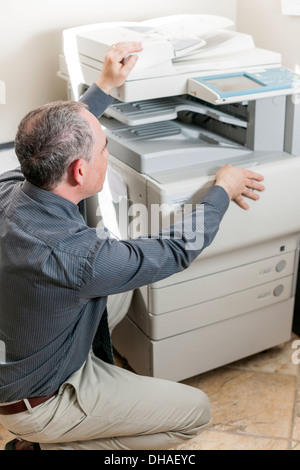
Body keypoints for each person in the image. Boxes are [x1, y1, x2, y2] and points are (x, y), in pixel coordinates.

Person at [0, 42, 265, 451]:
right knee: (195, 412)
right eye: (106, 148)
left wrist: (104, 86)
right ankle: (50, 445)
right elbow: (177, 248)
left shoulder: (14, 184)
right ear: (79, 170)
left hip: (23, 348)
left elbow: (50, 142)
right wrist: (222, 190)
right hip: (40, 401)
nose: (110, 154)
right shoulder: (80, 258)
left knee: (118, 297)